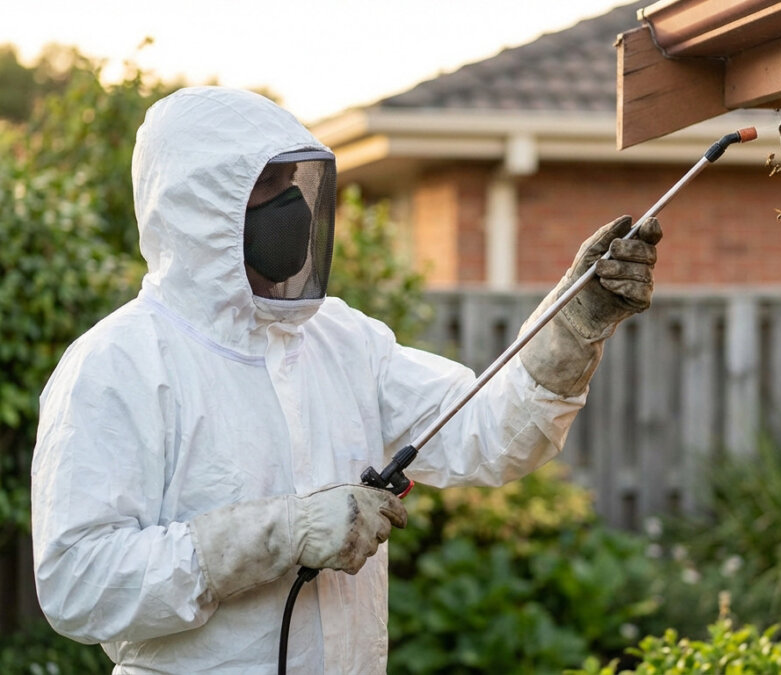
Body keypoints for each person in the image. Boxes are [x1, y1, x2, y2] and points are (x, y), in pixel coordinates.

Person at [30, 86, 662, 674]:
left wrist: (574, 324)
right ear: (199, 205)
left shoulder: (340, 338)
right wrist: (280, 534)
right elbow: (79, 582)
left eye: (294, 183)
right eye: (266, 186)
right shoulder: (118, 364)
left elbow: (487, 433)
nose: (293, 207)